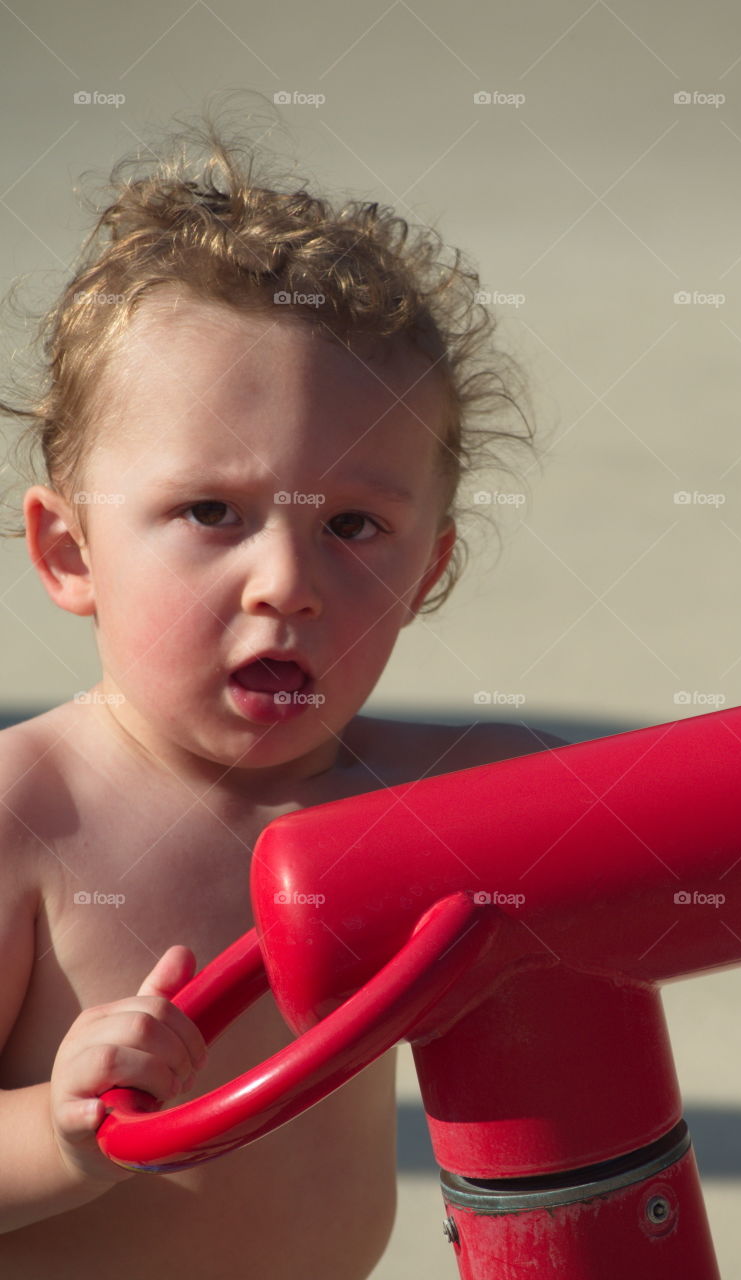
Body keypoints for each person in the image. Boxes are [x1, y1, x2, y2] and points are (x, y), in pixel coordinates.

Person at [0, 118, 563, 1278]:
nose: (288, 584)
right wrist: (64, 1131)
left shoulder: (444, 795)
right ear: (69, 552)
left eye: (355, 527)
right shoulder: (30, 816)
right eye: (213, 511)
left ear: (430, 573)